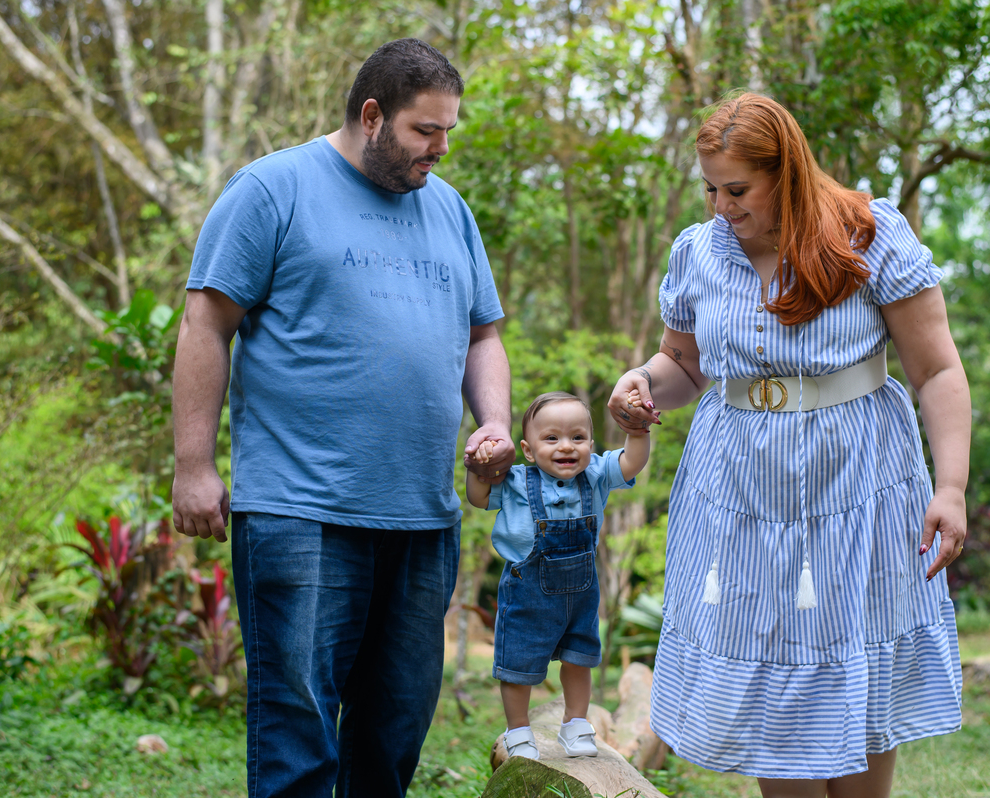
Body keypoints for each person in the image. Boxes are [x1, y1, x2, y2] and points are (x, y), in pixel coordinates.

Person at [170, 38, 514, 798]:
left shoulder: (450, 210)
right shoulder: (273, 190)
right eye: (426, 131)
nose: (441, 149)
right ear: (371, 116)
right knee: (299, 735)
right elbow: (205, 325)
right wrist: (193, 465)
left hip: (423, 518)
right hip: (301, 511)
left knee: (393, 734)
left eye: (449, 130)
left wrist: (493, 420)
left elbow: (482, 333)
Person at [608, 93, 970, 798]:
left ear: (789, 173)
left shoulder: (870, 235)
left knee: (855, 654)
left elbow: (936, 370)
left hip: (858, 484)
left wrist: (950, 486)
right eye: (710, 187)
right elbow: (682, 367)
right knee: (774, 669)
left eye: (737, 189)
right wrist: (639, 386)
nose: (720, 205)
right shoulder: (698, 252)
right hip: (744, 492)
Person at [466, 391, 651, 761]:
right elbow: (477, 497)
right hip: (526, 591)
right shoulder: (517, 480)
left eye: (577, 437)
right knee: (518, 666)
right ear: (529, 449)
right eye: (551, 438)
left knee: (578, 657)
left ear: (591, 444)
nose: (566, 446)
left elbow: (632, 462)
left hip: (581, 593)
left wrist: (638, 429)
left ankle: (575, 723)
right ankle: (518, 729)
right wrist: (478, 466)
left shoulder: (596, 474)